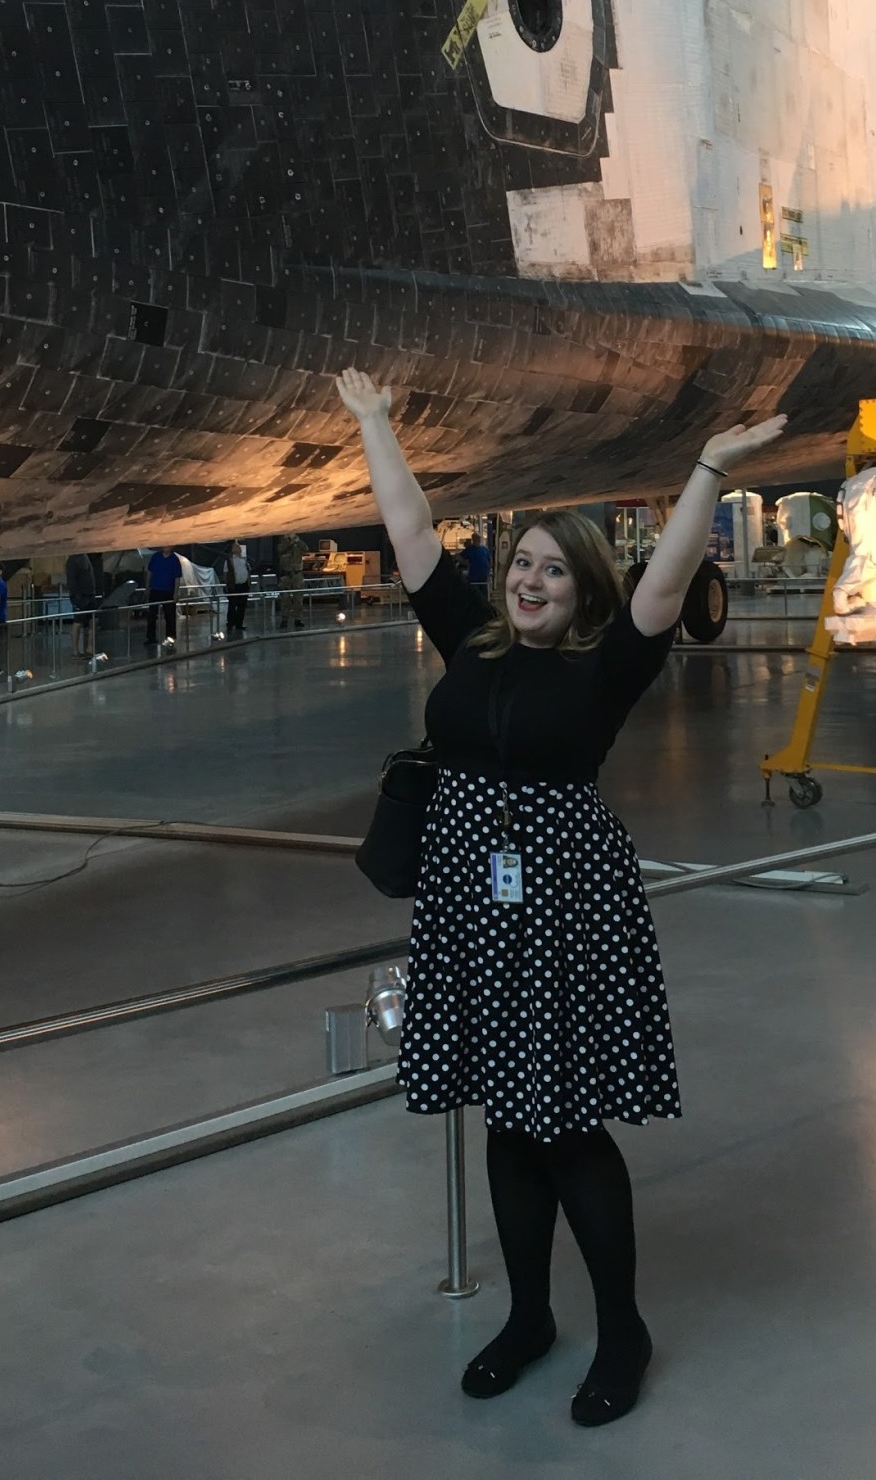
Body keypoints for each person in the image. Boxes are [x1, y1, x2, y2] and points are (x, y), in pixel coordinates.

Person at [336, 365, 786, 1428]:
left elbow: (667, 583)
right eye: (522, 564)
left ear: (584, 588)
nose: (529, 580)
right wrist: (374, 426)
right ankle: (532, 1312)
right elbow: (410, 537)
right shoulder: (471, 640)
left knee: (568, 1124)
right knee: (505, 1117)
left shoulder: (604, 668)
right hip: (468, 903)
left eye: (552, 570)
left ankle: (620, 1324)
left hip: (565, 913)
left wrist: (709, 469)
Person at [145, 544, 183, 649]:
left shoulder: (175, 559)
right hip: (155, 590)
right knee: (152, 615)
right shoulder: (156, 557)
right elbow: (149, 572)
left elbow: (177, 578)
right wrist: (147, 587)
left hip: (168, 591)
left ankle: (170, 637)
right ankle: (150, 637)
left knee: (170, 616)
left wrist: (176, 593)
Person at [66, 550, 98, 657]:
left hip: (90, 594)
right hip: (80, 596)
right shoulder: (72, 560)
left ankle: (90, 647)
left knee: (92, 620)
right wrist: (77, 596)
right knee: (78, 622)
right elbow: (71, 581)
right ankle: (75, 651)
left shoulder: (85, 557)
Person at [275, 531, 307, 630]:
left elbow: (306, 549)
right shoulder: (282, 544)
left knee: (298, 599)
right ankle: (284, 619)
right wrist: (290, 542)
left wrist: (298, 541)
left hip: (297, 574)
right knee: (285, 599)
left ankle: (298, 619)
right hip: (286, 575)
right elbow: (280, 550)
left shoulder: (298, 544)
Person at [223, 541, 251, 635]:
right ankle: (230, 624)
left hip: (243, 585)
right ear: (232, 549)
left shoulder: (244, 560)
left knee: (242, 606)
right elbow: (226, 573)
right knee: (232, 606)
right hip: (234, 586)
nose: (239, 548)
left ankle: (239, 624)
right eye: (236, 546)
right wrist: (227, 585)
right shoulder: (229, 560)